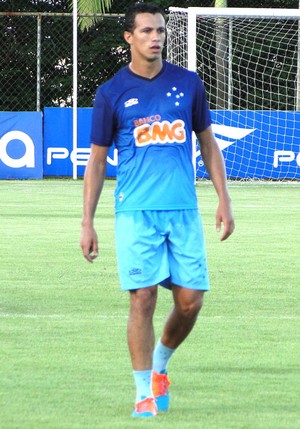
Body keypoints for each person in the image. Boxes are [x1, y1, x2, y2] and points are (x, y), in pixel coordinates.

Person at [80, 2, 234, 419]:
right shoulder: (111, 92)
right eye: (146, 31)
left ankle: (161, 366)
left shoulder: (188, 84)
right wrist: (87, 221)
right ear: (129, 37)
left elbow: (207, 143)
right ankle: (142, 392)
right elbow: (96, 161)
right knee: (142, 298)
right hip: (136, 214)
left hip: (183, 210)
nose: (155, 37)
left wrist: (224, 198)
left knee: (190, 301)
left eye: (160, 30)